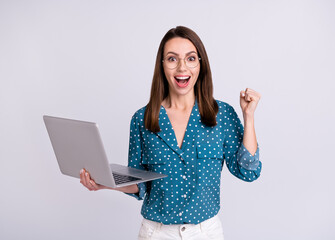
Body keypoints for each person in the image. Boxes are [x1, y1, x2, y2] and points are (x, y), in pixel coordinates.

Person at [80, 26, 262, 240]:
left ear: (200, 65)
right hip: (156, 233)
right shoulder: (143, 119)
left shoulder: (221, 115)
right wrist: (104, 182)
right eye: (172, 59)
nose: (182, 67)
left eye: (191, 58)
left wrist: (248, 116)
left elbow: (248, 171)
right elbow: (140, 185)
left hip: (206, 233)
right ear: (162, 65)